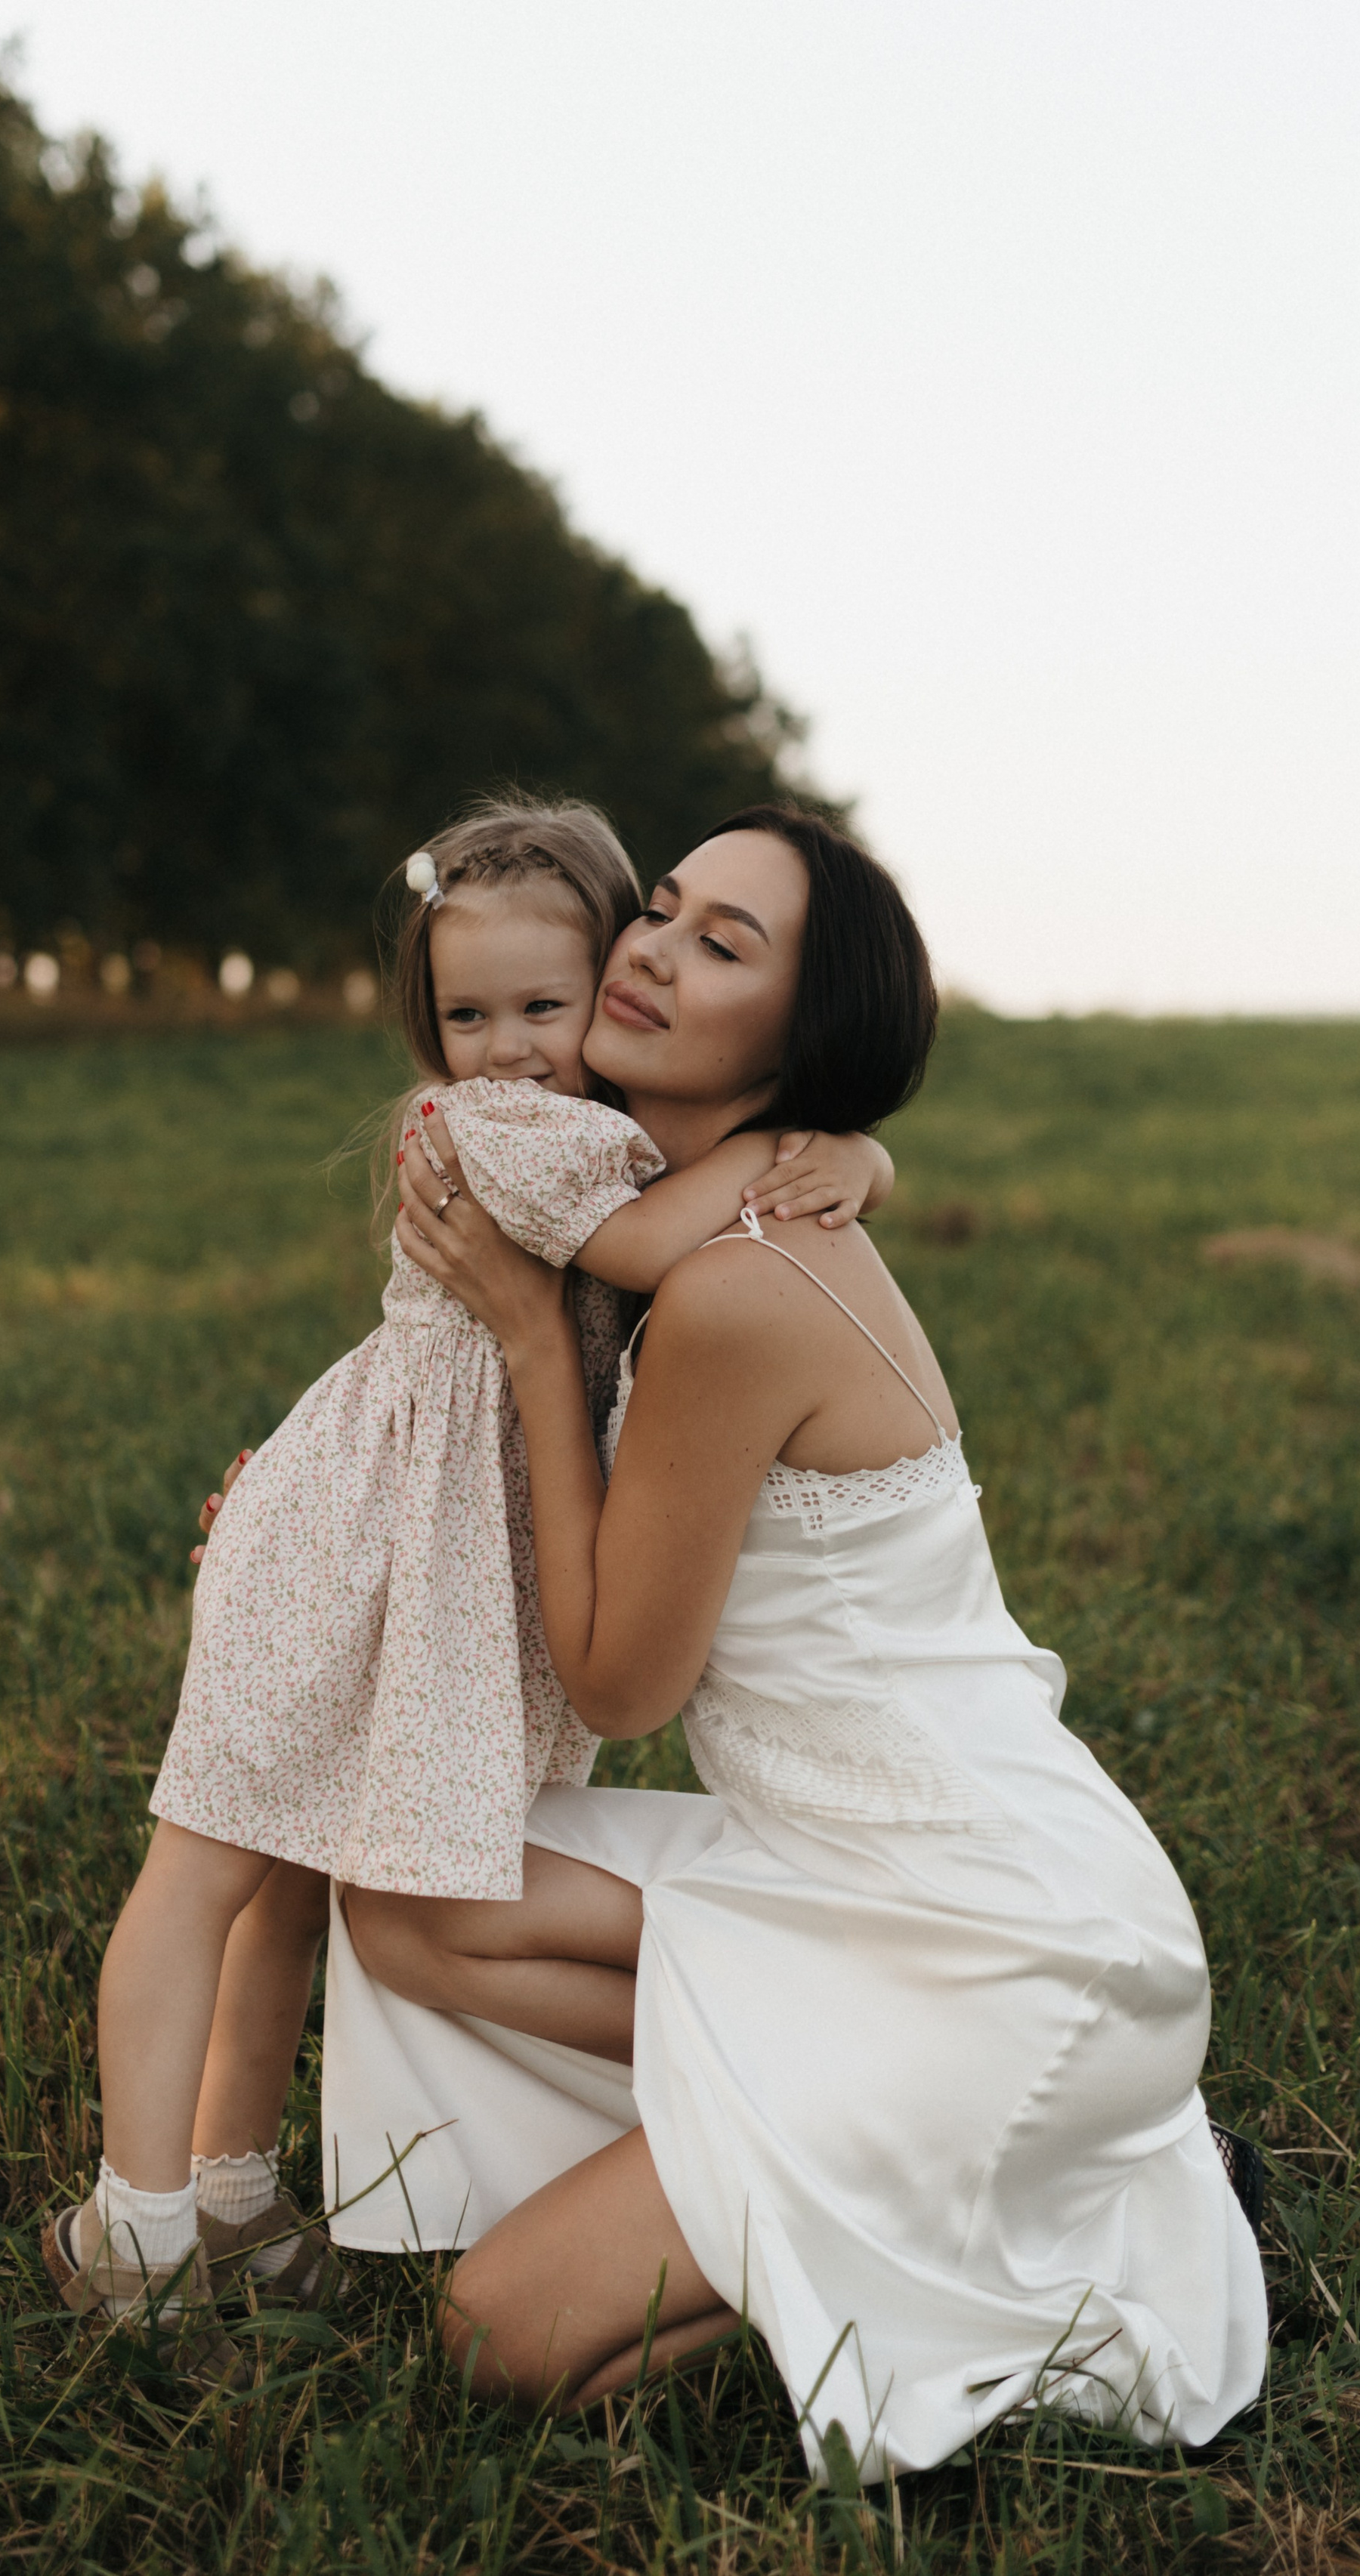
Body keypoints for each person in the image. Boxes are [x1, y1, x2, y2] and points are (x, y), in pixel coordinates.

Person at [314, 805, 1268, 2482]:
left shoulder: (738, 1294)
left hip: (998, 1937)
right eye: (662, 908)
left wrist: (537, 1340)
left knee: (494, 2335)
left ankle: (1075, 2206)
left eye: (721, 944)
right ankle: (821, 2131)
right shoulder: (662, 1195)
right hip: (832, 1876)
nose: (651, 951)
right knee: (403, 1884)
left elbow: (619, 1686)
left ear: (796, 1034)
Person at [43, 798, 894, 2362]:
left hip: (403, 1544)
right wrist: (820, 1146)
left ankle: (234, 2191)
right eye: (465, 1014)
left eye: (539, 1008)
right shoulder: (511, 1130)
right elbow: (640, 1245)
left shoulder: (592, 1120)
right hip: (349, 1542)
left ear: (603, 984)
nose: (503, 1044)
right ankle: (131, 2223)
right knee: (207, 1867)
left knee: (293, 1879)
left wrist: (834, 1142)